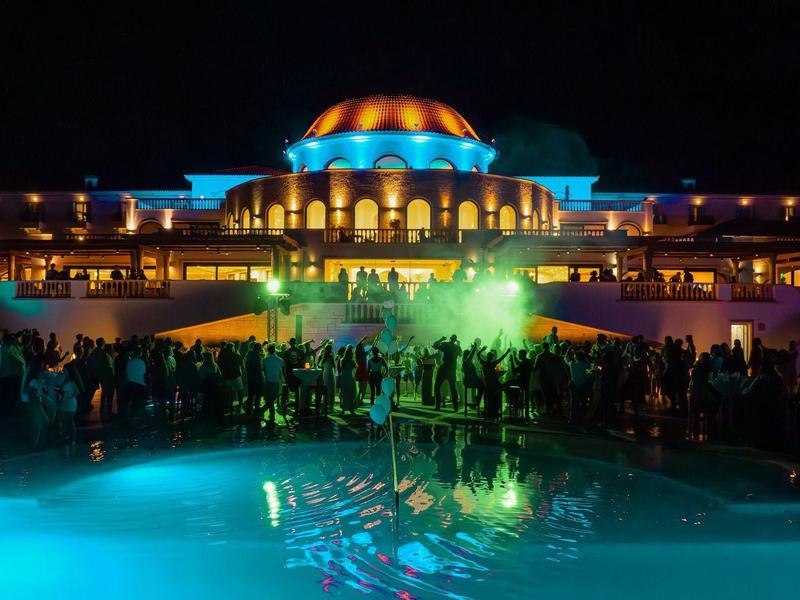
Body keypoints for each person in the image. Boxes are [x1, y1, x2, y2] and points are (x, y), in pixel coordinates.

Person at [479, 346, 511, 420]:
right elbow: (502, 358)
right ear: (492, 357)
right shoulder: (493, 363)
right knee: (501, 389)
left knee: (487, 394)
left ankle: (487, 408)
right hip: (494, 383)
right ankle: (497, 407)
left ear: (487, 357)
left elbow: (478, 355)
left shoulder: (484, 363)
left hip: (487, 383)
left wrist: (482, 350)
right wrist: (507, 351)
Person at [433, 335, 462, 411]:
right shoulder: (457, 347)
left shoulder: (446, 344)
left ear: (450, 339)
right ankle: (455, 407)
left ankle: (438, 406)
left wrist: (441, 339)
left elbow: (434, 345)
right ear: (455, 340)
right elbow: (461, 354)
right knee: (453, 388)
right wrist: (459, 345)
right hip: (452, 369)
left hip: (444, 367)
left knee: (437, 387)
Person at [262, 344, 284, 422]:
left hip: (268, 382)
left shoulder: (265, 360)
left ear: (268, 350)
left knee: (269, 399)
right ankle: (270, 414)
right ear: (275, 350)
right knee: (271, 399)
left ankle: (268, 413)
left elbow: (263, 371)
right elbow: (282, 370)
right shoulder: (280, 360)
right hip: (276, 382)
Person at [339, 345, 357, 416]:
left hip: (344, 378)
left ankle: (343, 410)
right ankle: (351, 410)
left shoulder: (342, 360)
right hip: (350, 378)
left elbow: (341, 369)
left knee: (344, 394)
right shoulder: (352, 361)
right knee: (351, 394)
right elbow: (355, 368)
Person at [319, 343, 336, 411]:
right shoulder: (331, 356)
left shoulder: (324, 357)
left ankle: (325, 404)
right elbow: (334, 366)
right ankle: (330, 405)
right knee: (331, 389)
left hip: (325, 373)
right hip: (330, 373)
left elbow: (321, 365)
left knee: (326, 389)